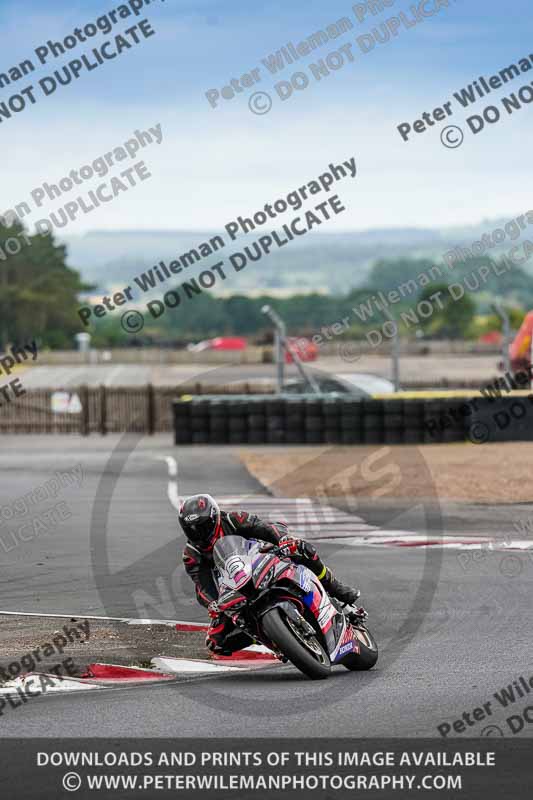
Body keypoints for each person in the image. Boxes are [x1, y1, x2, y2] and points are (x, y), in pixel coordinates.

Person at [179, 493, 361, 655]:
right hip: (235, 587)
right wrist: (214, 604)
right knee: (216, 643)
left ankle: (336, 588)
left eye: (202, 526)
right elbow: (202, 586)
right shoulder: (191, 554)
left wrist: (283, 539)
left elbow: (264, 528)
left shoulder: (234, 519)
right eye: (191, 529)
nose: (198, 533)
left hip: (263, 559)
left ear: (214, 518)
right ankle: (270, 634)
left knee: (303, 550)